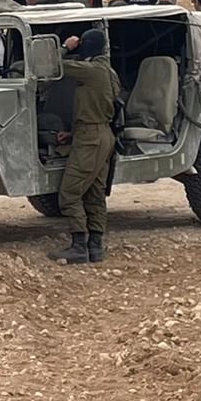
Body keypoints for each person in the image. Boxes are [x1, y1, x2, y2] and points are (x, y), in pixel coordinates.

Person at [49, 28, 120, 265]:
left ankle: (79, 245)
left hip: (90, 138)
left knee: (69, 193)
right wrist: (72, 133)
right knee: (95, 193)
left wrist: (65, 48)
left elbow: (53, 66)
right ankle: (95, 246)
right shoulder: (108, 72)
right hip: (102, 134)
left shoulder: (91, 71)